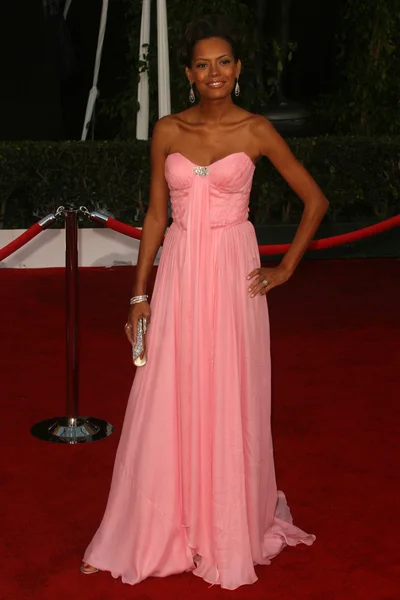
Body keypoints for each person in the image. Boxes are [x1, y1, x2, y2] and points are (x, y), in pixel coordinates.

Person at [81, 15, 328, 590]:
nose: (213, 72)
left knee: (226, 395)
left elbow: (314, 200)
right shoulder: (168, 130)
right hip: (181, 273)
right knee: (163, 393)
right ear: (189, 73)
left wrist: (285, 268)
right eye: (202, 64)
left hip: (232, 278)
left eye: (223, 62)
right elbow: (154, 217)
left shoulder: (257, 130)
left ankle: (224, 526)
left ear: (237, 70)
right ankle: (143, 529)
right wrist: (139, 295)